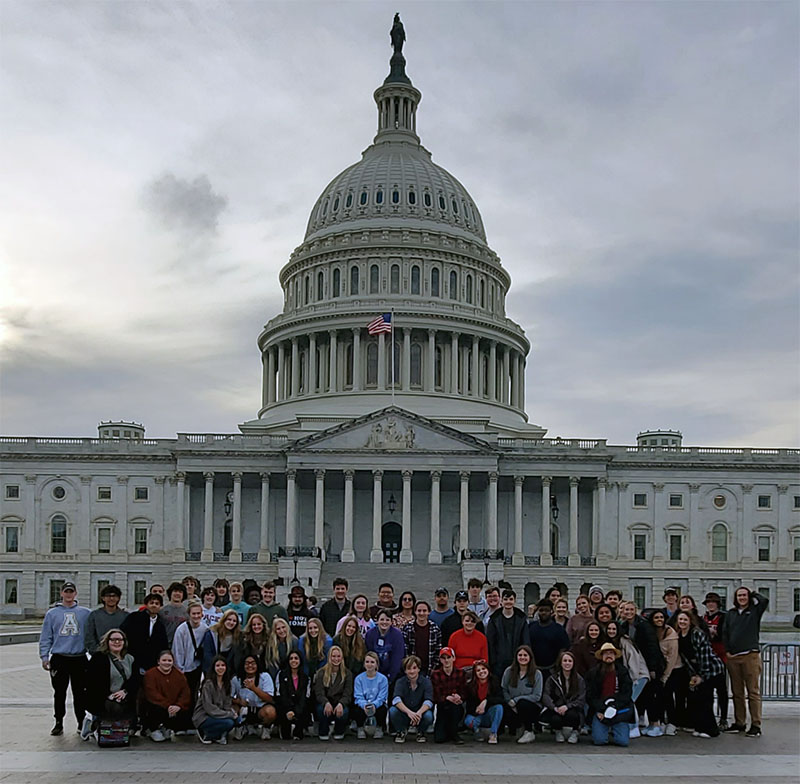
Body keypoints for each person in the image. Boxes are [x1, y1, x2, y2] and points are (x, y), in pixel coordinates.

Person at [39, 581, 91, 736]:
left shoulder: (85, 613)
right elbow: (46, 636)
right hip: (60, 658)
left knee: (80, 693)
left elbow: (90, 634)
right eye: (66, 592)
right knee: (59, 692)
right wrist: (44, 656)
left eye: (71, 592)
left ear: (75, 594)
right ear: (61, 593)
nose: (68, 595)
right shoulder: (52, 614)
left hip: (79, 657)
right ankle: (58, 722)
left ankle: (81, 722)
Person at [723, 586, 768, 737]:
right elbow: (725, 632)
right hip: (734, 657)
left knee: (753, 692)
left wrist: (753, 593)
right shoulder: (731, 613)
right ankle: (739, 722)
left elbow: (764, 600)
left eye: (744, 595)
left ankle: (756, 724)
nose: (742, 598)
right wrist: (727, 651)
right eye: (739, 595)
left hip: (750, 655)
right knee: (737, 692)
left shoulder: (754, 611)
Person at [674, 610, 724, 738]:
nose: (682, 622)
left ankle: (711, 730)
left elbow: (705, 656)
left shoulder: (697, 634)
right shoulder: (679, 635)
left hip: (711, 669)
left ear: (690, 621)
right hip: (695, 671)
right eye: (680, 620)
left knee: (705, 699)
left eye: (685, 620)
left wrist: (702, 675)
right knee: (696, 700)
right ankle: (699, 726)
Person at [618, 601, 664, 735]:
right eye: (626, 610)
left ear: (636, 610)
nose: (628, 612)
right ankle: (643, 723)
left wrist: (653, 668)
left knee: (650, 696)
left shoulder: (644, 625)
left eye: (631, 609)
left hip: (647, 666)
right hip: (635, 664)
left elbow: (652, 647)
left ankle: (654, 725)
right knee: (642, 697)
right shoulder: (624, 625)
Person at [84, 629, 138, 740]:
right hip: (103, 696)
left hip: (124, 695)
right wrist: (109, 695)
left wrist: (125, 691)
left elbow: (135, 679)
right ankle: (96, 724)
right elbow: (92, 682)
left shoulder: (130, 658)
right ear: (107, 642)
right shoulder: (98, 658)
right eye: (113, 640)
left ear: (124, 642)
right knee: (114, 707)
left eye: (119, 640)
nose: (116, 642)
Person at [604, 620, 650, 738]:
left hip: (638, 676)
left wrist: (633, 680)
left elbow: (633, 661)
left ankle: (633, 727)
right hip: (627, 678)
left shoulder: (625, 642)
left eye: (614, 629)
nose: (611, 631)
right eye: (609, 629)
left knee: (629, 701)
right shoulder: (610, 642)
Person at [585, 642, 633, 747]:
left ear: (615, 656)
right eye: (606, 653)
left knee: (623, 742)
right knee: (599, 741)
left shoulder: (622, 672)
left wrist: (614, 707)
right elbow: (590, 696)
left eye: (611, 653)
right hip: (600, 711)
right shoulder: (594, 673)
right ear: (601, 656)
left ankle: (615, 730)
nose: (609, 656)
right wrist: (600, 710)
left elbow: (627, 694)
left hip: (619, 710)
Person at [141, 650, 193, 741]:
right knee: (155, 709)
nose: (167, 663)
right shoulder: (150, 674)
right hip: (157, 706)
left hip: (173, 707)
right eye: (164, 660)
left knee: (185, 710)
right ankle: (153, 729)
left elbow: (185, 693)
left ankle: (167, 727)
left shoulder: (179, 675)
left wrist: (178, 705)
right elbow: (152, 694)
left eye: (169, 661)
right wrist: (168, 705)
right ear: (158, 661)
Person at [541, 650, 585, 744]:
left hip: (573, 708)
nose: (567, 663)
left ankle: (575, 731)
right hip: (557, 708)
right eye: (565, 661)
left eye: (570, 661)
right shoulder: (552, 679)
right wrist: (554, 708)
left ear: (573, 663)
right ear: (560, 663)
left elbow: (581, 698)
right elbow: (546, 695)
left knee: (572, 715)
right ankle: (558, 731)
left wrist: (567, 706)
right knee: (555, 719)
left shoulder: (579, 679)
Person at [501, 644, 542, 744]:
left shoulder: (537, 673)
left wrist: (516, 700)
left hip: (530, 706)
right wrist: (509, 701)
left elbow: (537, 696)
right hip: (511, 705)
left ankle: (529, 731)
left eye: (525, 655)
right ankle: (516, 728)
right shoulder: (509, 671)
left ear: (530, 657)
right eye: (520, 655)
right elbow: (504, 689)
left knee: (523, 703)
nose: (522, 657)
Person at [649, 609, 681, 736]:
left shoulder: (671, 634)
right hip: (659, 669)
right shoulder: (652, 632)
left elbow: (673, 657)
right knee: (659, 697)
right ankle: (662, 721)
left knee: (668, 697)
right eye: (656, 617)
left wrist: (665, 676)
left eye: (661, 617)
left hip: (673, 669)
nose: (659, 620)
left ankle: (672, 723)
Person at [193, 655, 239, 744]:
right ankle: (207, 734)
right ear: (213, 668)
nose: (220, 668)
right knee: (229, 722)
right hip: (204, 716)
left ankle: (217, 735)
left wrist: (232, 713)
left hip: (219, 714)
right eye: (218, 666)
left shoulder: (227, 684)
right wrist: (228, 714)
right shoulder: (208, 684)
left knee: (237, 720)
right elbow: (209, 708)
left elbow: (227, 704)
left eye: (223, 665)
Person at [121, 592, 169, 675]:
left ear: (160, 607)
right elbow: (123, 632)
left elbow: (163, 644)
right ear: (146, 605)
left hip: (151, 662)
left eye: (157, 604)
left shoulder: (161, 624)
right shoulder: (134, 617)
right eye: (151, 603)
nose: (154, 605)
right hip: (133, 658)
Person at [230, 654, 276, 740]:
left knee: (270, 712)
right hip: (243, 709)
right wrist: (239, 701)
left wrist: (254, 688)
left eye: (253, 663)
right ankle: (240, 727)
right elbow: (230, 698)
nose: (250, 666)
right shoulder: (236, 679)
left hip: (259, 709)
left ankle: (266, 728)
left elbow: (270, 698)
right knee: (232, 709)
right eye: (247, 663)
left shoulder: (265, 676)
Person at [390, 655, 434, 743]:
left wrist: (418, 714)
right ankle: (401, 731)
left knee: (429, 716)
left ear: (419, 669)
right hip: (405, 713)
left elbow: (429, 701)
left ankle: (421, 732)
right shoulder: (400, 682)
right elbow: (396, 699)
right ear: (405, 670)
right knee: (393, 711)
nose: (412, 671)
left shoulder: (426, 682)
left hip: (420, 713)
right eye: (409, 668)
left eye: (414, 668)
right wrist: (409, 713)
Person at [487, 588, 530, 678]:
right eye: (506, 599)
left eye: (511, 599)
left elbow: (526, 641)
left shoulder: (521, 619)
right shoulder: (494, 619)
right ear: (501, 601)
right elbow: (490, 642)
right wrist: (493, 661)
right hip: (498, 662)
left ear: (514, 601)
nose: (508, 602)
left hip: (517, 661)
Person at [314, 645, 353, 740]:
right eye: (333, 656)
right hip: (326, 701)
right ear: (329, 657)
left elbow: (347, 693)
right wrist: (326, 703)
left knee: (344, 712)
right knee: (320, 710)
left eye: (338, 656)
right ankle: (323, 730)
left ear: (342, 657)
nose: (336, 659)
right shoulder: (321, 673)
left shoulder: (347, 674)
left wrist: (341, 704)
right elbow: (319, 693)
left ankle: (339, 730)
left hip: (339, 702)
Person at [701, 592, 728, 730]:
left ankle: (723, 718)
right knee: (708, 690)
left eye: (713, 602)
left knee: (721, 690)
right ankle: (709, 717)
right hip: (707, 657)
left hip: (720, 656)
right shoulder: (704, 618)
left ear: (718, 604)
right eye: (708, 602)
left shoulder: (723, 617)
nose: (710, 604)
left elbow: (724, 635)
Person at [171, 601, 209, 700]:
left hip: (197, 666)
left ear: (202, 614)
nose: (196, 616)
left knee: (194, 694)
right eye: (194, 614)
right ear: (189, 615)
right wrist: (180, 668)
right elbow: (177, 650)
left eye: (198, 613)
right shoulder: (181, 629)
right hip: (184, 668)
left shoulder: (205, 628)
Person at [431, 646, 467, 744]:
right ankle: (446, 730)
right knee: (439, 739)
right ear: (440, 660)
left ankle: (454, 733)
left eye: (449, 657)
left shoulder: (461, 673)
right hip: (443, 705)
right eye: (443, 658)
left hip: (456, 705)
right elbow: (435, 694)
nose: (446, 660)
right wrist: (447, 697)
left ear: (454, 658)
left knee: (456, 708)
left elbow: (464, 691)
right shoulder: (435, 674)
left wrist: (459, 697)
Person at [464, 659, 503, 744]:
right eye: (478, 670)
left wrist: (486, 701)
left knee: (499, 708)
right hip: (477, 715)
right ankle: (477, 731)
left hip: (489, 713)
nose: (481, 672)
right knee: (468, 720)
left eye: (483, 669)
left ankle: (493, 733)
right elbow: (469, 707)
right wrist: (477, 709)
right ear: (475, 674)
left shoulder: (494, 681)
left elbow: (501, 699)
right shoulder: (470, 686)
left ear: (488, 670)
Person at [528, 599, 570, 678]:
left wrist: (556, 665)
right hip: (533, 668)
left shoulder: (559, 629)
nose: (544, 613)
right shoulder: (531, 627)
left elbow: (563, 648)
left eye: (547, 610)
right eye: (541, 610)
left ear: (551, 611)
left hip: (552, 670)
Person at [352, 651, 389, 739]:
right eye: (367, 662)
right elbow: (358, 696)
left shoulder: (383, 679)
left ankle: (379, 728)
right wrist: (364, 705)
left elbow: (382, 697)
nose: (369, 664)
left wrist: (374, 705)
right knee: (356, 708)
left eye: (372, 662)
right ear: (364, 664)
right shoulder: (359, 679)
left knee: (383, 708)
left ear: (377, 664)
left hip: (377, 704)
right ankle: (360, 728)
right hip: (363, 705)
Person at [365, 609, 406, 686]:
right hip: (374, 672)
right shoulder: (370, 634)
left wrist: (390, 678)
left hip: (392, 674)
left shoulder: (397, 635)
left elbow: (397, 658)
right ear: (377, 621)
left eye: (387, 620)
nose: (384, 622)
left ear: (391, 622)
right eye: (382, 619)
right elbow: (369, 654)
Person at [401, 600, 442, 677]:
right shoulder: (408, 628)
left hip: (429, 668)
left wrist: (434, 667)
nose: (421, 613)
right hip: (412, 668)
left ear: (429, 612)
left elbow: (438, 650)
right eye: (419, 611)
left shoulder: (435, 629)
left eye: (424, 611)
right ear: (415, 612)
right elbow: (405, 649)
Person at [275, 650, 310, 740]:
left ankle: (298, 730)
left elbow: (304, 697)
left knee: (304, 710)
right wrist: (289, 710)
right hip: (285, 707)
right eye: (291, 659)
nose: (293, 661)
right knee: (286, 736)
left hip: (299, 707)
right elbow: (281, 694)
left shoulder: (305, 677)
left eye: (296, 658)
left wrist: (296, 711)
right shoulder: (281, 675)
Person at [85, 584, 128, 655]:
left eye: (114, 596)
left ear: (118, 598)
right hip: (100, 655)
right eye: (108, 596)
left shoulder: (126, 616)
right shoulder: (95, 615)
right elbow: (89, 637)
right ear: (103, 598)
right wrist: (98, 652)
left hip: (121, 656)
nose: (111, 598)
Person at [200, 609, 242, 674]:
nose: (231, 622)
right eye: (229, 619)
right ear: (223, 620)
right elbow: (207, 654)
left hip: (228, 671)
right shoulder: (211, 633)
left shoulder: (238, 636)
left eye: (234, 621)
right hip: (212, 669)